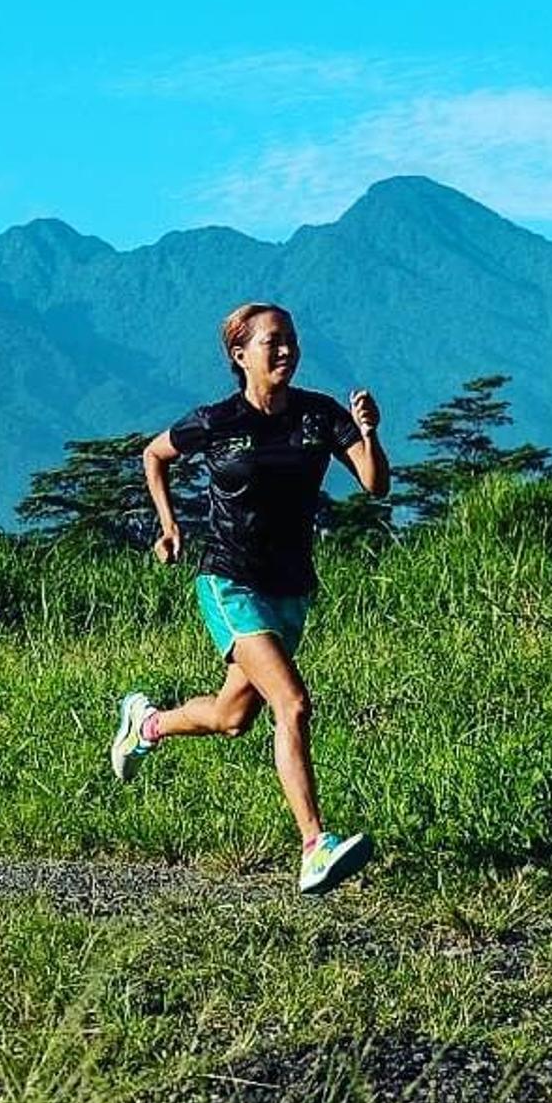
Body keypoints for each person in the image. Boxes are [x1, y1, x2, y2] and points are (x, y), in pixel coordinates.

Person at [110, 301, 390, 895]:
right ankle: (314, 845)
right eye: (272, 342)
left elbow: (374, 483)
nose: (286, 350)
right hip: (228, 580)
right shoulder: (216, 420)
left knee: (234, 717)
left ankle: (147, 724)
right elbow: (154, 455)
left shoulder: (319, 415)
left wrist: (369, 434)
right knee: (293, 703)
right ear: (241, 357)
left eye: (290, 339)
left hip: (291, 588)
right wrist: (169, 526)